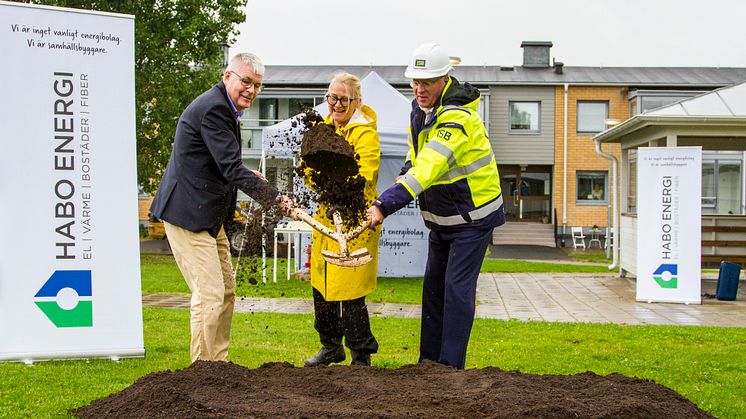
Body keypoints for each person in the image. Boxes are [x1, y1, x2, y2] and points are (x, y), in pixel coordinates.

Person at [366, 43, 505, 369]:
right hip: (441, 219)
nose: (419, 88)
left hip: (474, 219)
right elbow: (414, 161)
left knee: (456, 290)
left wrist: (385, 205)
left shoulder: (456, 119)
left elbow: (428, 167)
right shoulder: (420, 112)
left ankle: (450, 369)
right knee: (433, 291)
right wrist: (393, 188)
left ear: (445, 79)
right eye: (415, 81)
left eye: (426, 81)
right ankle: (428, 366)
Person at [150, 53, 292, 363]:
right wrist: (276, 198)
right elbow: (230, 168)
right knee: (210, 294)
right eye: (245, 81)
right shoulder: (214, 109)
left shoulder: (225, 109)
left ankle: (219, 366)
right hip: (188, 215)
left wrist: (248, 174)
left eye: (257, 85)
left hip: (209, 217)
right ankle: (202, 371)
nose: (251, 90)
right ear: (227, 76)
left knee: (226, 291)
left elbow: (220, 162)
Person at [303, 72, 381, 367]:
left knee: (351, 291)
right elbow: (307, 166)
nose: (336, 104)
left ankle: (361, 354)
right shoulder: (322, 130)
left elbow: (365, 171)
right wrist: (321, 182)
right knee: (321, 286)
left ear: (356, 101)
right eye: (332, 98)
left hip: (354, 219)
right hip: (325, 217)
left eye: (343, 99)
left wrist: (335, 182)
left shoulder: (365, 133)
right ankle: (330, 346)